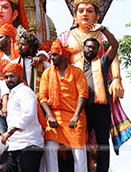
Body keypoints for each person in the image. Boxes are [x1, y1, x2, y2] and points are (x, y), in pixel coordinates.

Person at [59, 0, 131, 156]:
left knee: (99, 141)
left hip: (98, 92)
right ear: (74, 14)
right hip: (73, 94)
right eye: (81, 11)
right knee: (77, 138)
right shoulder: (65, 37)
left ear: (97, 14)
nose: (85, 14)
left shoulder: (102, 36)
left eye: (89, 10)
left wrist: (117, 79)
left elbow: (113, 54)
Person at [39, 39, 89, 172]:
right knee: (50, 147)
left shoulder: (76, 72)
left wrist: (76, 116)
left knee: (79, 152)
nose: (52, 57)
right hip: (54, 117)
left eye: (54, 55)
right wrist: (50, 116)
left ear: (62, 56)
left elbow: (83, 94)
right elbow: (42, 97)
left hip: (75, 117)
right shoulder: (47, 73)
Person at [75, 33, 118, 171]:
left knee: (102, 143)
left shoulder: (103, 62)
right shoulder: (76, 66)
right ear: (83, 48)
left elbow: (115, 45)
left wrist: (103, 29)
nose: (90, 50)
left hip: (101, 109)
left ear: (97, 50)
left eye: (93, 48)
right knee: (82, 141)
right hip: (83, 109)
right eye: (88, 47)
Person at [0, 63, 44, 172]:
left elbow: (29, 114)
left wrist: (10, 132)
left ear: (20, 77)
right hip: (14, 145)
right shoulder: (13, 94)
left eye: (12, 76)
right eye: (6, 77)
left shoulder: (24, 91)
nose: (8, 79)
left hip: (28, 145)